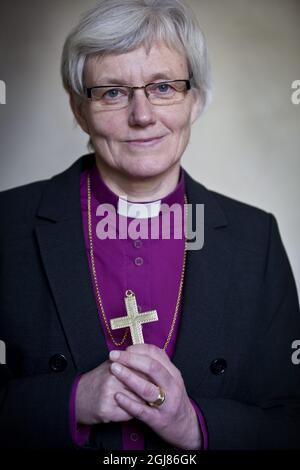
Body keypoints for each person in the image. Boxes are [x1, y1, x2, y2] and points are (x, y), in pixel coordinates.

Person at [0, 0, 299, 451]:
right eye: (113, 92)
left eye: (163, 87)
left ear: (194, 99)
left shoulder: (256, 239)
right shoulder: (7, 225)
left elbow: (290, 420)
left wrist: (195, 424)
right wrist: (71, 401)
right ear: (79, 109)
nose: (142, 116)